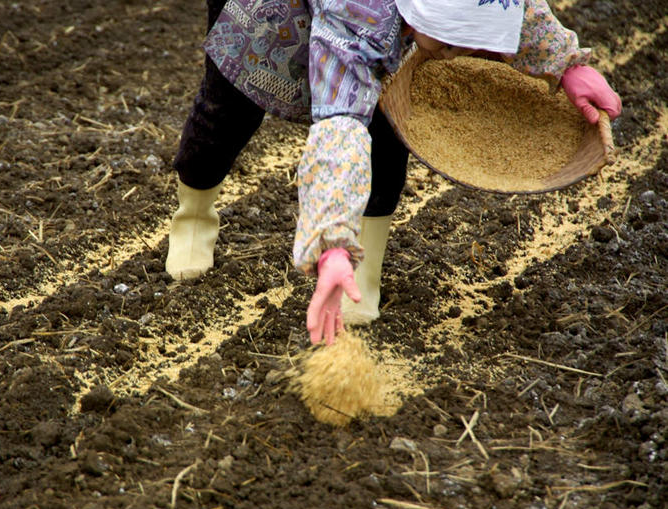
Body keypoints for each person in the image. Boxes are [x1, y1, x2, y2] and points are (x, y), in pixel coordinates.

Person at [167, 0, 622, 345]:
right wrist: (330, 246)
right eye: (448, 44)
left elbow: (506, 4)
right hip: (272, 13)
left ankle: (366, 268)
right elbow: (340, 129)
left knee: (388, 129)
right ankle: (194, 217)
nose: (456, 56)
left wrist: (567, 67)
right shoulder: (359, 15)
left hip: (387, 23)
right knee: (227, 114)